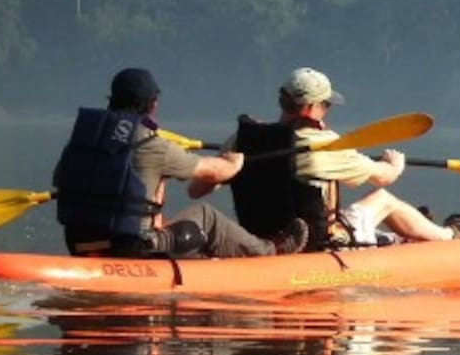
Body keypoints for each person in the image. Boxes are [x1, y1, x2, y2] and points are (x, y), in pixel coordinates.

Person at [53, 67, 307, 258]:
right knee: (206, 216)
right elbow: (215, 172)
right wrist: (235, 160)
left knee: (166, 223)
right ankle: (271, 250)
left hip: (78, 244)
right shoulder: (154, 146)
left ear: (111, 99)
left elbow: (59, 182)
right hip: (130, 247)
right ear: (153, 104)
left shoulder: (82, 144)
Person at [211, 67, 460, 251]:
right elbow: (383, 177)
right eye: (326, 105)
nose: (327, 110)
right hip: (317, 243)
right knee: (384, 200)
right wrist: (394, 164)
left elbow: (202, 185)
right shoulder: (323, 144)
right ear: (313, 107)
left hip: (258, 238)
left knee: (368, 217)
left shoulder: (243, 139)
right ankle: (449, 237)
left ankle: (402, 233)